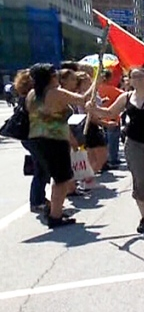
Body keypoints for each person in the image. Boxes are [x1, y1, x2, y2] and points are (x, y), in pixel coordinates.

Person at [88, 68, 144, 233]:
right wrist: (92, 109)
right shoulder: (126, 97)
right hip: (135, 143)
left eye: (141, 76)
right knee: (141, 179)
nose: (137, 80)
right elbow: (110, 112)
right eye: (133, 77)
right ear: (129, 80)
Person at [25, 63, 95, 228]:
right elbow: (83, 99)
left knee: (55, 177)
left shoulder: (31, 94)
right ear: (50, 77)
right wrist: (95, 84)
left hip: (36, 139)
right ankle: (55, 216)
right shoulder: (55, 93)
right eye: (54, 74)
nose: (56, 77)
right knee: (61, 180)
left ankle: (54, 211)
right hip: (54, 140)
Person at [13, 70, 52, 213]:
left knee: (40, 167)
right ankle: (37, 201)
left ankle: (39, 198)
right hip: (34, 137)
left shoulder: (25, 97)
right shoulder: (33, 97)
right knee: (41, 169)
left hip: (29, 137)